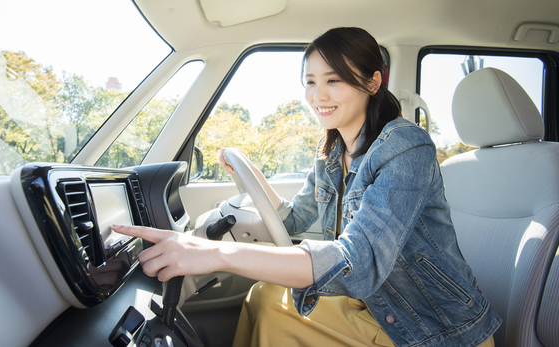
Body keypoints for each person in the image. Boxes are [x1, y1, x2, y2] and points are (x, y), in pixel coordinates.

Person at [113, 27, 501, 346]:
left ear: (372, 81)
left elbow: (358, 263)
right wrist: (250, 177)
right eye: (310, 82)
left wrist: (219, 254)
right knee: (265, 295)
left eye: (334, 80)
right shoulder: (333, 149)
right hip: (378, 304)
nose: (318, 95)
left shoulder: (406, 147)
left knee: (275, 313)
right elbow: (297, 220)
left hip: (435, 327)